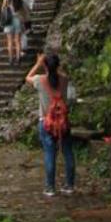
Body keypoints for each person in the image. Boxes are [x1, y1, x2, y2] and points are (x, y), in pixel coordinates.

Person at [26, 52, 76, 197]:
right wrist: (54, 67)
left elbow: (27, 77)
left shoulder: (39, 80)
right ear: (58, 65)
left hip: (46, 123)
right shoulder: (65, 80)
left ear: (45, 66)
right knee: (67, 152)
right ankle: (70, 185)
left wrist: (38, 64)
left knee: (50, 154)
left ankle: (50, 188)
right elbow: (61, 74)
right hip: (63, 122)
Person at [0, 0, 24, 64]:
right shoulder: (19, 0)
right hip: (17, 20)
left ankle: (10, 59)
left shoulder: (6, 0)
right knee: (18, 41)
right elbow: (21, 12)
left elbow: (2, 10)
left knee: (9, 41)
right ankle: (18, 58)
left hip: (9, 21)